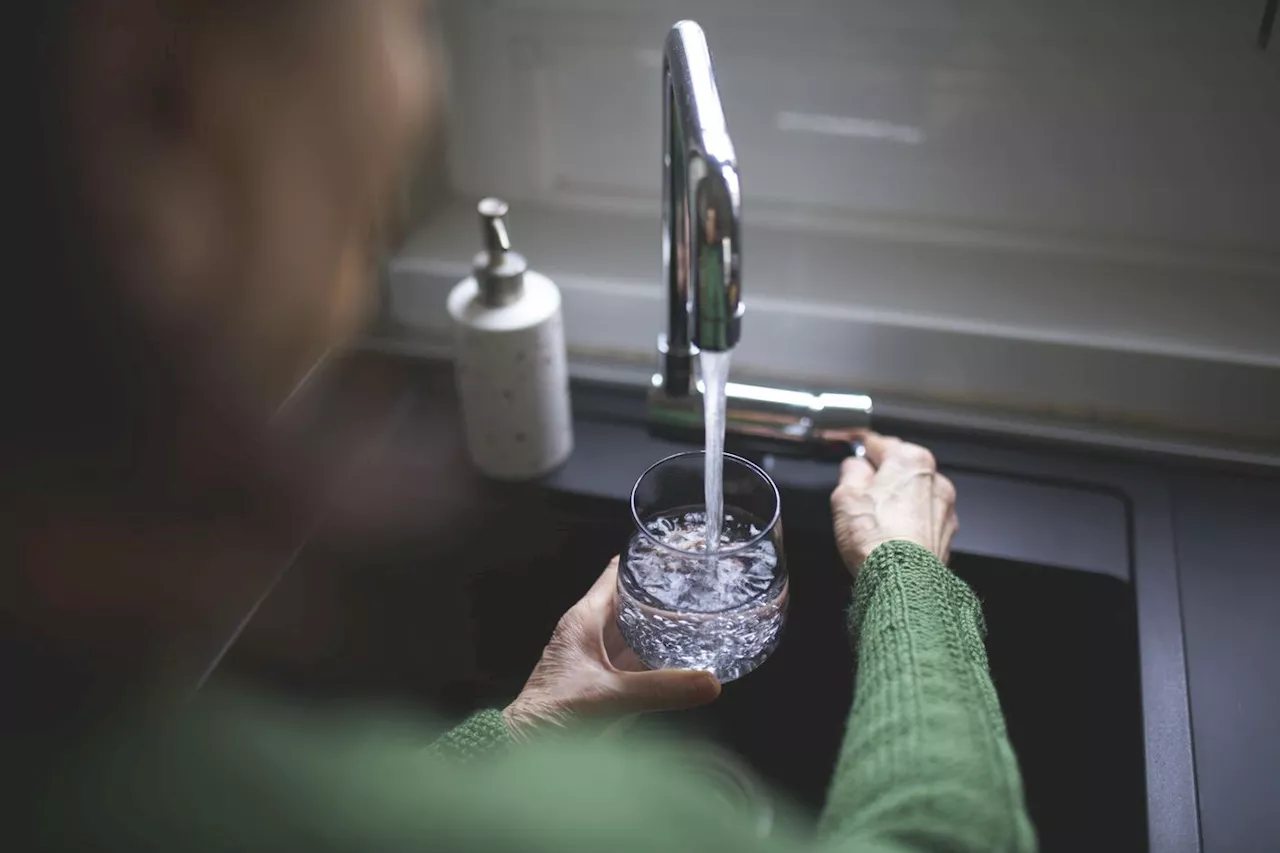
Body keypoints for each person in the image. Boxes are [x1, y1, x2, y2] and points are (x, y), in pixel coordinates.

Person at [8, 1, 1036, 851]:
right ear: (164, 111)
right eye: (403, 12)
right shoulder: (610, 826)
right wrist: (912, 582)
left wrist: (525, 724)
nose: (416, 82)